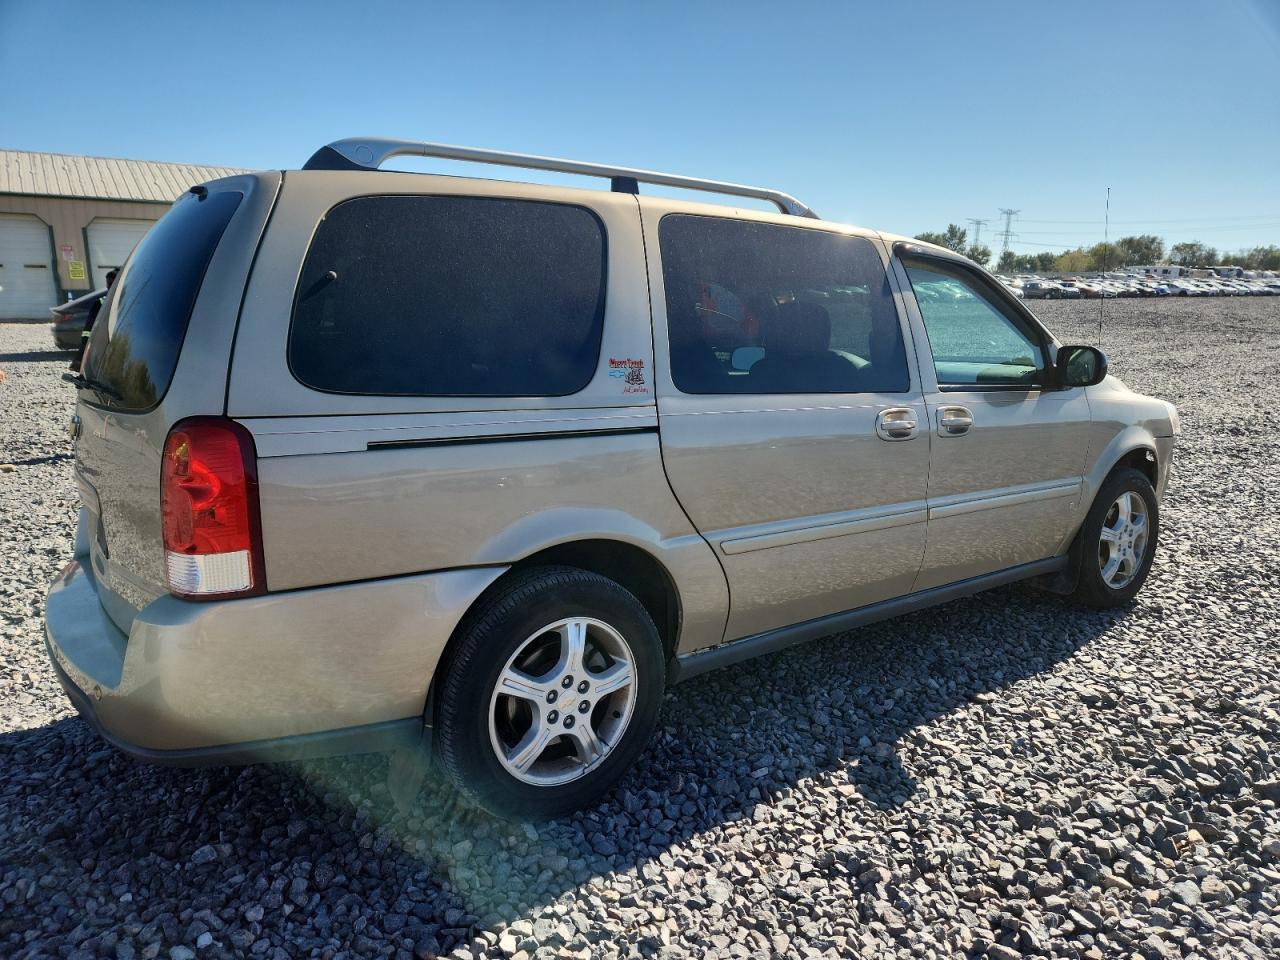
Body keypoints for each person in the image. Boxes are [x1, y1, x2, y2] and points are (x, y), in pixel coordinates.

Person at [70, 269, 117, 373]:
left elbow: (87, 331)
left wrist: (81, 354)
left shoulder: (101, 303)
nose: (108, 286)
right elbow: (88, 331)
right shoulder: (102, 303)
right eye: (108, 283)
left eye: (110, 283)